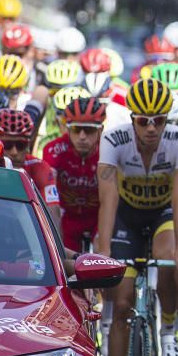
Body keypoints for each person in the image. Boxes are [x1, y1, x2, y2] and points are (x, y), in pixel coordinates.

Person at [96, 78, 178, 356]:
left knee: (169, 258)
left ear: (168, 120)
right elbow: (107, 201)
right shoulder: (113, 138)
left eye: (159, 121)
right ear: (132, 117)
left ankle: (168, 327)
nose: (151, 128)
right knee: (122, 303)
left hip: (163, 213)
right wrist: (106, 250)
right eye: (144, 120)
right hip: (125, 217)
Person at [42, 97, 106, 252]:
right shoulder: (53, 150)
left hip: (98, 216)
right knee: (64, 260)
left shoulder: (108, 150)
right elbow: (51, 195)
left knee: (103, 257)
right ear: (67, 128)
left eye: (89, 130)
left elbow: (111, 199)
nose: (82, 136)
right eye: (77, 129)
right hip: (67, 216)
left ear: (100, 130)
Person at [0, 108, 61, 229]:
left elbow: (53, 215)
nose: (14, 152)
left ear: (28, 145)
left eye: (20, 145)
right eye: (7, 145)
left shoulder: (40, 167)